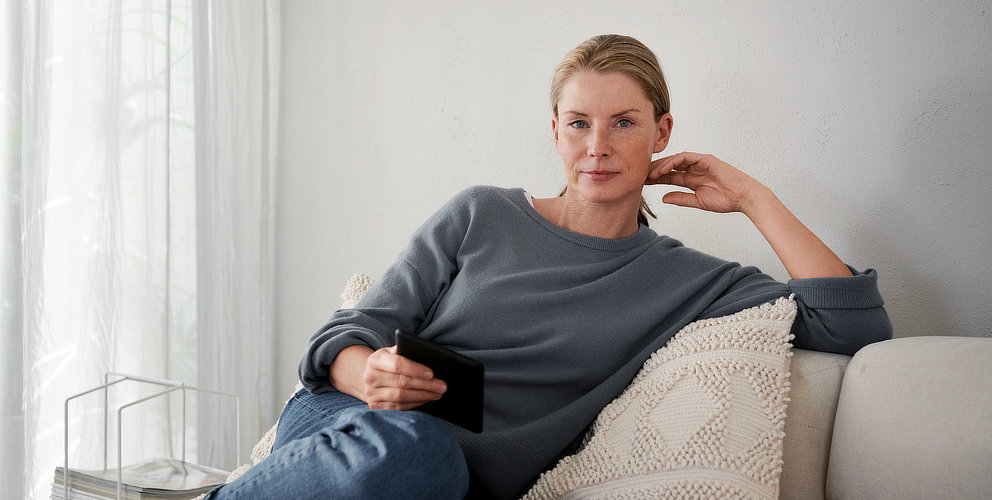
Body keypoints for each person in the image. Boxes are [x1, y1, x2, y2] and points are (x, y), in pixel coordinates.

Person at [205, 34, 891, 500]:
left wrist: (752, 198)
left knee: (430, 461)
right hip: (349, 426)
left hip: (447, 481)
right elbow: (338, 339)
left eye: (624, 122)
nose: (598, 146)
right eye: (578, 123)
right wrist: (371, 375)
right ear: (554, 131)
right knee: (412, 448)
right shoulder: (480, 215)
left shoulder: (688, 282)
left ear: (663, 132)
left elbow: (851, 328)